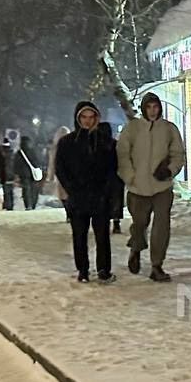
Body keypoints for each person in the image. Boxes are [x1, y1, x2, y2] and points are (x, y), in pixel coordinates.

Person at [118, 93, 186, 282]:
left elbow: (178, 154)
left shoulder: (169, 129)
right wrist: (130, 177)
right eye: (149, 107)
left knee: (161, 227)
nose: (153, 111)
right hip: (138, 188)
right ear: (143, 108)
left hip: (162, 187)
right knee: (139, 224)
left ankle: (157, 265)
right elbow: (123, 155)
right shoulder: (132, 129)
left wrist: (170, 170)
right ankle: (136, 249)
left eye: (155, 107)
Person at [54, 102, 118, 284]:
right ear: (77, 118)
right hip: (78, 197)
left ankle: (104, 269)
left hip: (100, 197)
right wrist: (72, 189)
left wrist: (107, 191)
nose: (88, 121)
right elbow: (61, 168)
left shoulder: (106, 143)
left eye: (91, 117)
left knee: (102, 236)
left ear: (97, 118)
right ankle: (83, 270)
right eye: (84, 117)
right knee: (79, 235)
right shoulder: (67, 143)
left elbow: (113, 169)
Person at [98, 122, 126, 234]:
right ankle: (116, 223)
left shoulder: (97, 145)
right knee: (116, 200)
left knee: (104, 201)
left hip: (102, 178)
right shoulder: (116, 144)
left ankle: (105, 223)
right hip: (116, 177)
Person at [47, 125, 72, 223]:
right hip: (67, 174)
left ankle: (69, 214)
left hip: (62, 174)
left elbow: (52, 163)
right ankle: (69, 214)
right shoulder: (57, 148)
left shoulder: (55, 148)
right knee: (66, 195)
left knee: (65, 196)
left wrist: (51, 175)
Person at [14, 135, 41, 210]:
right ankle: (33, 204)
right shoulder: (33, 151)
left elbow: (16, 163)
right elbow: (37, 161)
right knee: (34, 190)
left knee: (26, 190)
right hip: (33, 173)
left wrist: (17, 173)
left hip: (23, 174)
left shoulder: (19, 152)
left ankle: (28, 205)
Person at [1, 138, 19, 211]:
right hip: (11, 174)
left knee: (6, 190)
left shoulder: (1, 154)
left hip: (4, 174)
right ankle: (10, 204)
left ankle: (7, 204)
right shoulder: (12, 154)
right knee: (10, 189)